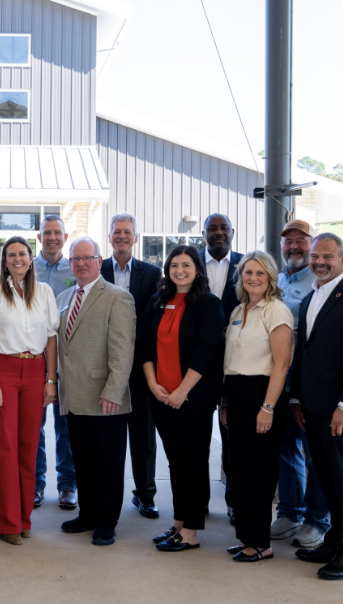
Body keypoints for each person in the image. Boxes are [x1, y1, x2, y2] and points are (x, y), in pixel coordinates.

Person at [289, 233, 343, 580]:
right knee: (325, 478)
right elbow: (305, 353)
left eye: (327, 256)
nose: (319, 262)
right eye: (314, 256)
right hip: (312, 408)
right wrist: (297, 398)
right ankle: (335, 540)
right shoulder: (312, 295)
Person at [0, 236, 59, 545]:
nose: (18, 259)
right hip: (4, 369)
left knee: (29, 446)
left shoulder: (45, 293)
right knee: (4, 447)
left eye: (23, 253)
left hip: (36, 370)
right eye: (11, 255)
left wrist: (51, 379)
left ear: (31, 257)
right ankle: (7, 522)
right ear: (4, 260)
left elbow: (51, 337)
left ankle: (24, 519)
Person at [140, 245, 224, 552]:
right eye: (174, 264)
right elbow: (145, 347)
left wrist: (181, 392)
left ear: (197, 269)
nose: (180, 270)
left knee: (193, 462)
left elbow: (205, 353)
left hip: (193, 399)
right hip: (161, 398)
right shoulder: (157, 301)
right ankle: (179, 523)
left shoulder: (208, 304)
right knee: (176, 462)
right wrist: (153, 385)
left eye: (186, 265)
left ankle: (191, 532)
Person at [57, 238, 136, 546]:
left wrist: (114, 391)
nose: (80, 263)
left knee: (108, 463)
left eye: (86, 258)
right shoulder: (65, 296)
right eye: (75, 259)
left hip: (105, 397)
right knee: (84, 461)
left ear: (99, 261)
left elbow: (122, 350)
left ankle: (106, 521)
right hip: (74, 396)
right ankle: (87, 514)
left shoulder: (118, 297)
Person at [221, 251, 293, 562]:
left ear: (271, 278)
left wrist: (268, 407)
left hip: (260, 394)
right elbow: (230, 362)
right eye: (248, 272)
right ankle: (246, 538)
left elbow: (281, 364)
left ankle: (261, 543)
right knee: (237, 469)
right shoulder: (239, 309)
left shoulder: (276, 311)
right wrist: (225, 402)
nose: (253, 278)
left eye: (260, 273)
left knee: (257, 472)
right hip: (235, 395)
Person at [271, 220, 330, 550]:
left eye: (301, 241)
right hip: (281, 383)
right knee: (286, 451)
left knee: (315, 454)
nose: (294, 246)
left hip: (309, 386)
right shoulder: (279, 279)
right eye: (288, 241)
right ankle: (290, 512)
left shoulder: (319, 282)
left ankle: (317, 519)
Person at [100, 213, 161, 519]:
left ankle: (145, 494)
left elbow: (155, 322)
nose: (122, 236)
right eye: (117, 232)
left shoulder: (152, 273)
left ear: (136, 237)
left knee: (142, 435)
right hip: (104, 367)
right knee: (108, 436)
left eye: (127, 232)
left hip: (140, 368)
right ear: (109, 236)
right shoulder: (96, 270)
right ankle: (105, 495)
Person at [33, 214, 78, 510]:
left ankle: (67, 485)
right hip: (33, 356)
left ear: (64, 236)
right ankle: (35, 483)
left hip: (66, 357)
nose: (52, 237)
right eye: (47, 232)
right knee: (34, 425)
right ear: (39, 237)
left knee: (65, 425)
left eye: (57, 233)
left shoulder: (74, 267)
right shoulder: (27, 266)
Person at [203, 213, 243, 522]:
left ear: (232, 232)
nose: (218, 233)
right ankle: (197, 500)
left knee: (232, 437)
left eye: (223, 228)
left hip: (237, 363)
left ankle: (234, 500)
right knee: (197, 436)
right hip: (199, 364)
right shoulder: (189, 263)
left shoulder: (246, 266)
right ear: (203, 233)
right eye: (212, 228)